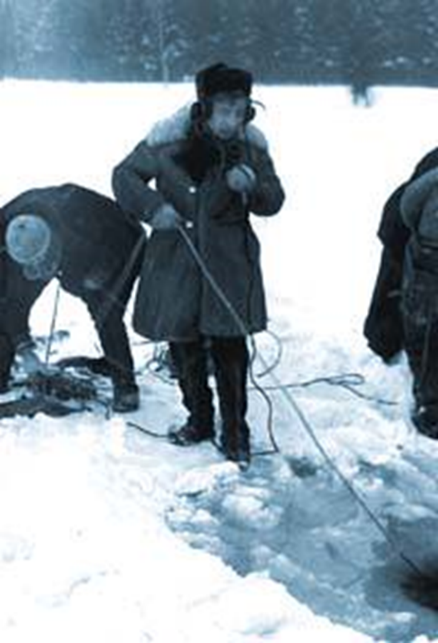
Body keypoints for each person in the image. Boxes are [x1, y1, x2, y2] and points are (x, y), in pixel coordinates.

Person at [112, 62, 285, 466]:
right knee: (183, 341)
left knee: (230, 346)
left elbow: (274, 199)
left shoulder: (252, 147)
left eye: (239, 110)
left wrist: (253, 186)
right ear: (205, 106)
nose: (230, 119)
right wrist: (153, 208)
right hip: (176, 258)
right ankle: (199, 420)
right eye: (223, 109)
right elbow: (124, 176)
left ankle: (236, 432)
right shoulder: (166, 142)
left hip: (230, 261)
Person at [0, 183, 145, 412]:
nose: (41, 271)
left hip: (122, 244)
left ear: (55, 242)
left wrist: (94, 275)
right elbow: (12, 303)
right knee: (9, 297)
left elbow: (113, 254)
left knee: (104, 308)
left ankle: (125, 385)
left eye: (45, 262)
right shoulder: (9, 233)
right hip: (48, 246)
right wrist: (26, 351)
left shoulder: (83, 224)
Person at [364, 147, 438, 437]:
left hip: (414, 242)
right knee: (425, 323)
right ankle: (430, 406)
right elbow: (396, 225)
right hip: (421, 250)